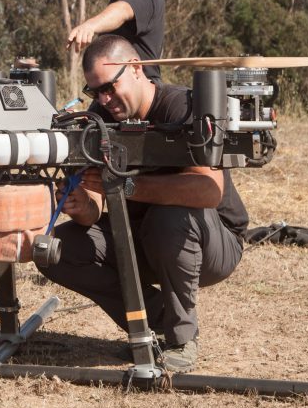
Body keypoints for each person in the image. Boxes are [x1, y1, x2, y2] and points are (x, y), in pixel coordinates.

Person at [38, 35, 248, 372]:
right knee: (60, 249)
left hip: (211, 242)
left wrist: (127, 186)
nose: (105, 99)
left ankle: (182, 340)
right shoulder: (100, 117)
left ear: (136, 69)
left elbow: (209, 190)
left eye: (110, 86)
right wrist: (83, 205)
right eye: (96, 92)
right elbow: (94, 201)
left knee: (168, 217)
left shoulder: (181, 106)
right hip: (141, 236)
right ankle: (152, 328)